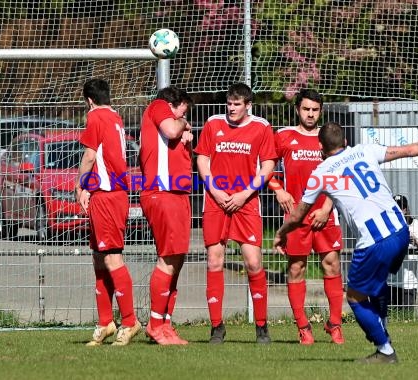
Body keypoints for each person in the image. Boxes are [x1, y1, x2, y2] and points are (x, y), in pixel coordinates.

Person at [274, 122, 418, 363]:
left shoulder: (320, 172)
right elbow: (409, 149)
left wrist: (281, 232)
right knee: (377, 284)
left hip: (374, 241)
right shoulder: (365, 150)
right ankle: (381, 326)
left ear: (320, 147)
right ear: (345, 141)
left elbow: (299, 214)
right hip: (400, 232)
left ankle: (384, 348)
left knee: (354, 297)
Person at [194, 83, 277, 344]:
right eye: (229, 103)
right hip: (216, 201)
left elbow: (268, 165)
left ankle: (262, 327)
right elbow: (202, 160)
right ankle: (217, 327)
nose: (231, 108)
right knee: (214, 261)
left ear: (248, 105)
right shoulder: (213, 124)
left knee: (253, 262)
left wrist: (244, 194)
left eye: (237, 104)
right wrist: (215, 190)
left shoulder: (261, 127)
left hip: (247, 203)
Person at [269, 89, 344, 345]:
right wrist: (279, 190)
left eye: (314, 110)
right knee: (296, 268)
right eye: (306, 109)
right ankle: (303, 327)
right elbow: (266, 166)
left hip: (325, 214)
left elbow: (343, 175)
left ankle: (335, 325)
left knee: (332, 265)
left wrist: (327, 208)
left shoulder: (329, 138)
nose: (310, 114)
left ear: (320, 111)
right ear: (297, 110)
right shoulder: (284, 137)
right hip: (296, 217)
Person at [75, 78, 141, 346]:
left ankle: (130, 321)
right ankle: (105, 323)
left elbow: (90, 157)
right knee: (99, 259)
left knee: (112, 258)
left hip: (108, 197)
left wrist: (80, 186)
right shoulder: (115, 117)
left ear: (89, 100)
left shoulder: (96, 117)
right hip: (109, 194)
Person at [139, 85, 194, 345]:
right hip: (162, 192)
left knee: (177, 261)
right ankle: (155, 324)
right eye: (183, 110)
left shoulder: (175, 123)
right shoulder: (159, 105)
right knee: (167, 261)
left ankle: (166, 323)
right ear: (175, 103)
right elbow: (172, 129)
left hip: (178, 193)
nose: (184, 117)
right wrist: (182, 124)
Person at [388, 194, 418, 312]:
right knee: (390, 316)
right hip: (390, 281)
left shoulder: (415, 224)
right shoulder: (387, 224)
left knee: (407, 317)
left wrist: (416, 241)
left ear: (405, 209)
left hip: (409, 283)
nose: (398, 210)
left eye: (400, 208)